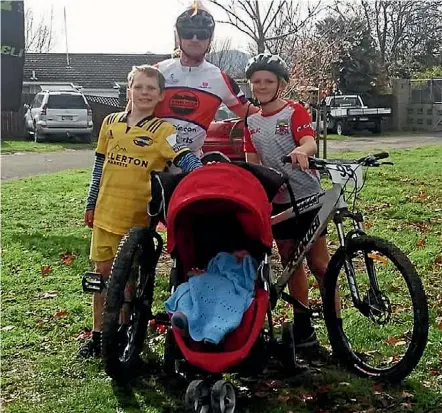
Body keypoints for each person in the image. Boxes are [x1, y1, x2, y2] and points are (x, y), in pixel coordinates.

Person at [79, 64, 203, 358]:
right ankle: (98, 335)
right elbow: (99, 166)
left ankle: (122, 331)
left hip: (136, 219)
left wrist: (201, 172)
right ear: (129, 90)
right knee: (101, 275)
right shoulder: (110, 123)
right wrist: (91, 201)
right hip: (105, 213)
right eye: (139, 87)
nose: (144, 93)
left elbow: (182, 157)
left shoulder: (164, 130)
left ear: (160, 95)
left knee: (127, 280)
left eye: (151, 88)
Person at [243, 53, 332, 349]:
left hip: (307, 195)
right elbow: (252, 160)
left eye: (268, 81)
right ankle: (304, 325)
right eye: (257, 81)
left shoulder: (294, 111)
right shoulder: (251, 121)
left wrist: (303, 151)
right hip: (279, 201)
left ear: (280, 84)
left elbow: (308, 140)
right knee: (291, 262)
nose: (262, 86)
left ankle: (336, 324)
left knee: (319, 264)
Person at [128, 1, 258, 166]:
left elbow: (252, 115)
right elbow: (130, 113)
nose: (195, 39)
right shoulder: (157, 71)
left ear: (210, 39)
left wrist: (288, 114)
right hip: (147, 160)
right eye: (188, 33)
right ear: (178, 37)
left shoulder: (220, 78)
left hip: (189, 163)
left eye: (202, 34)